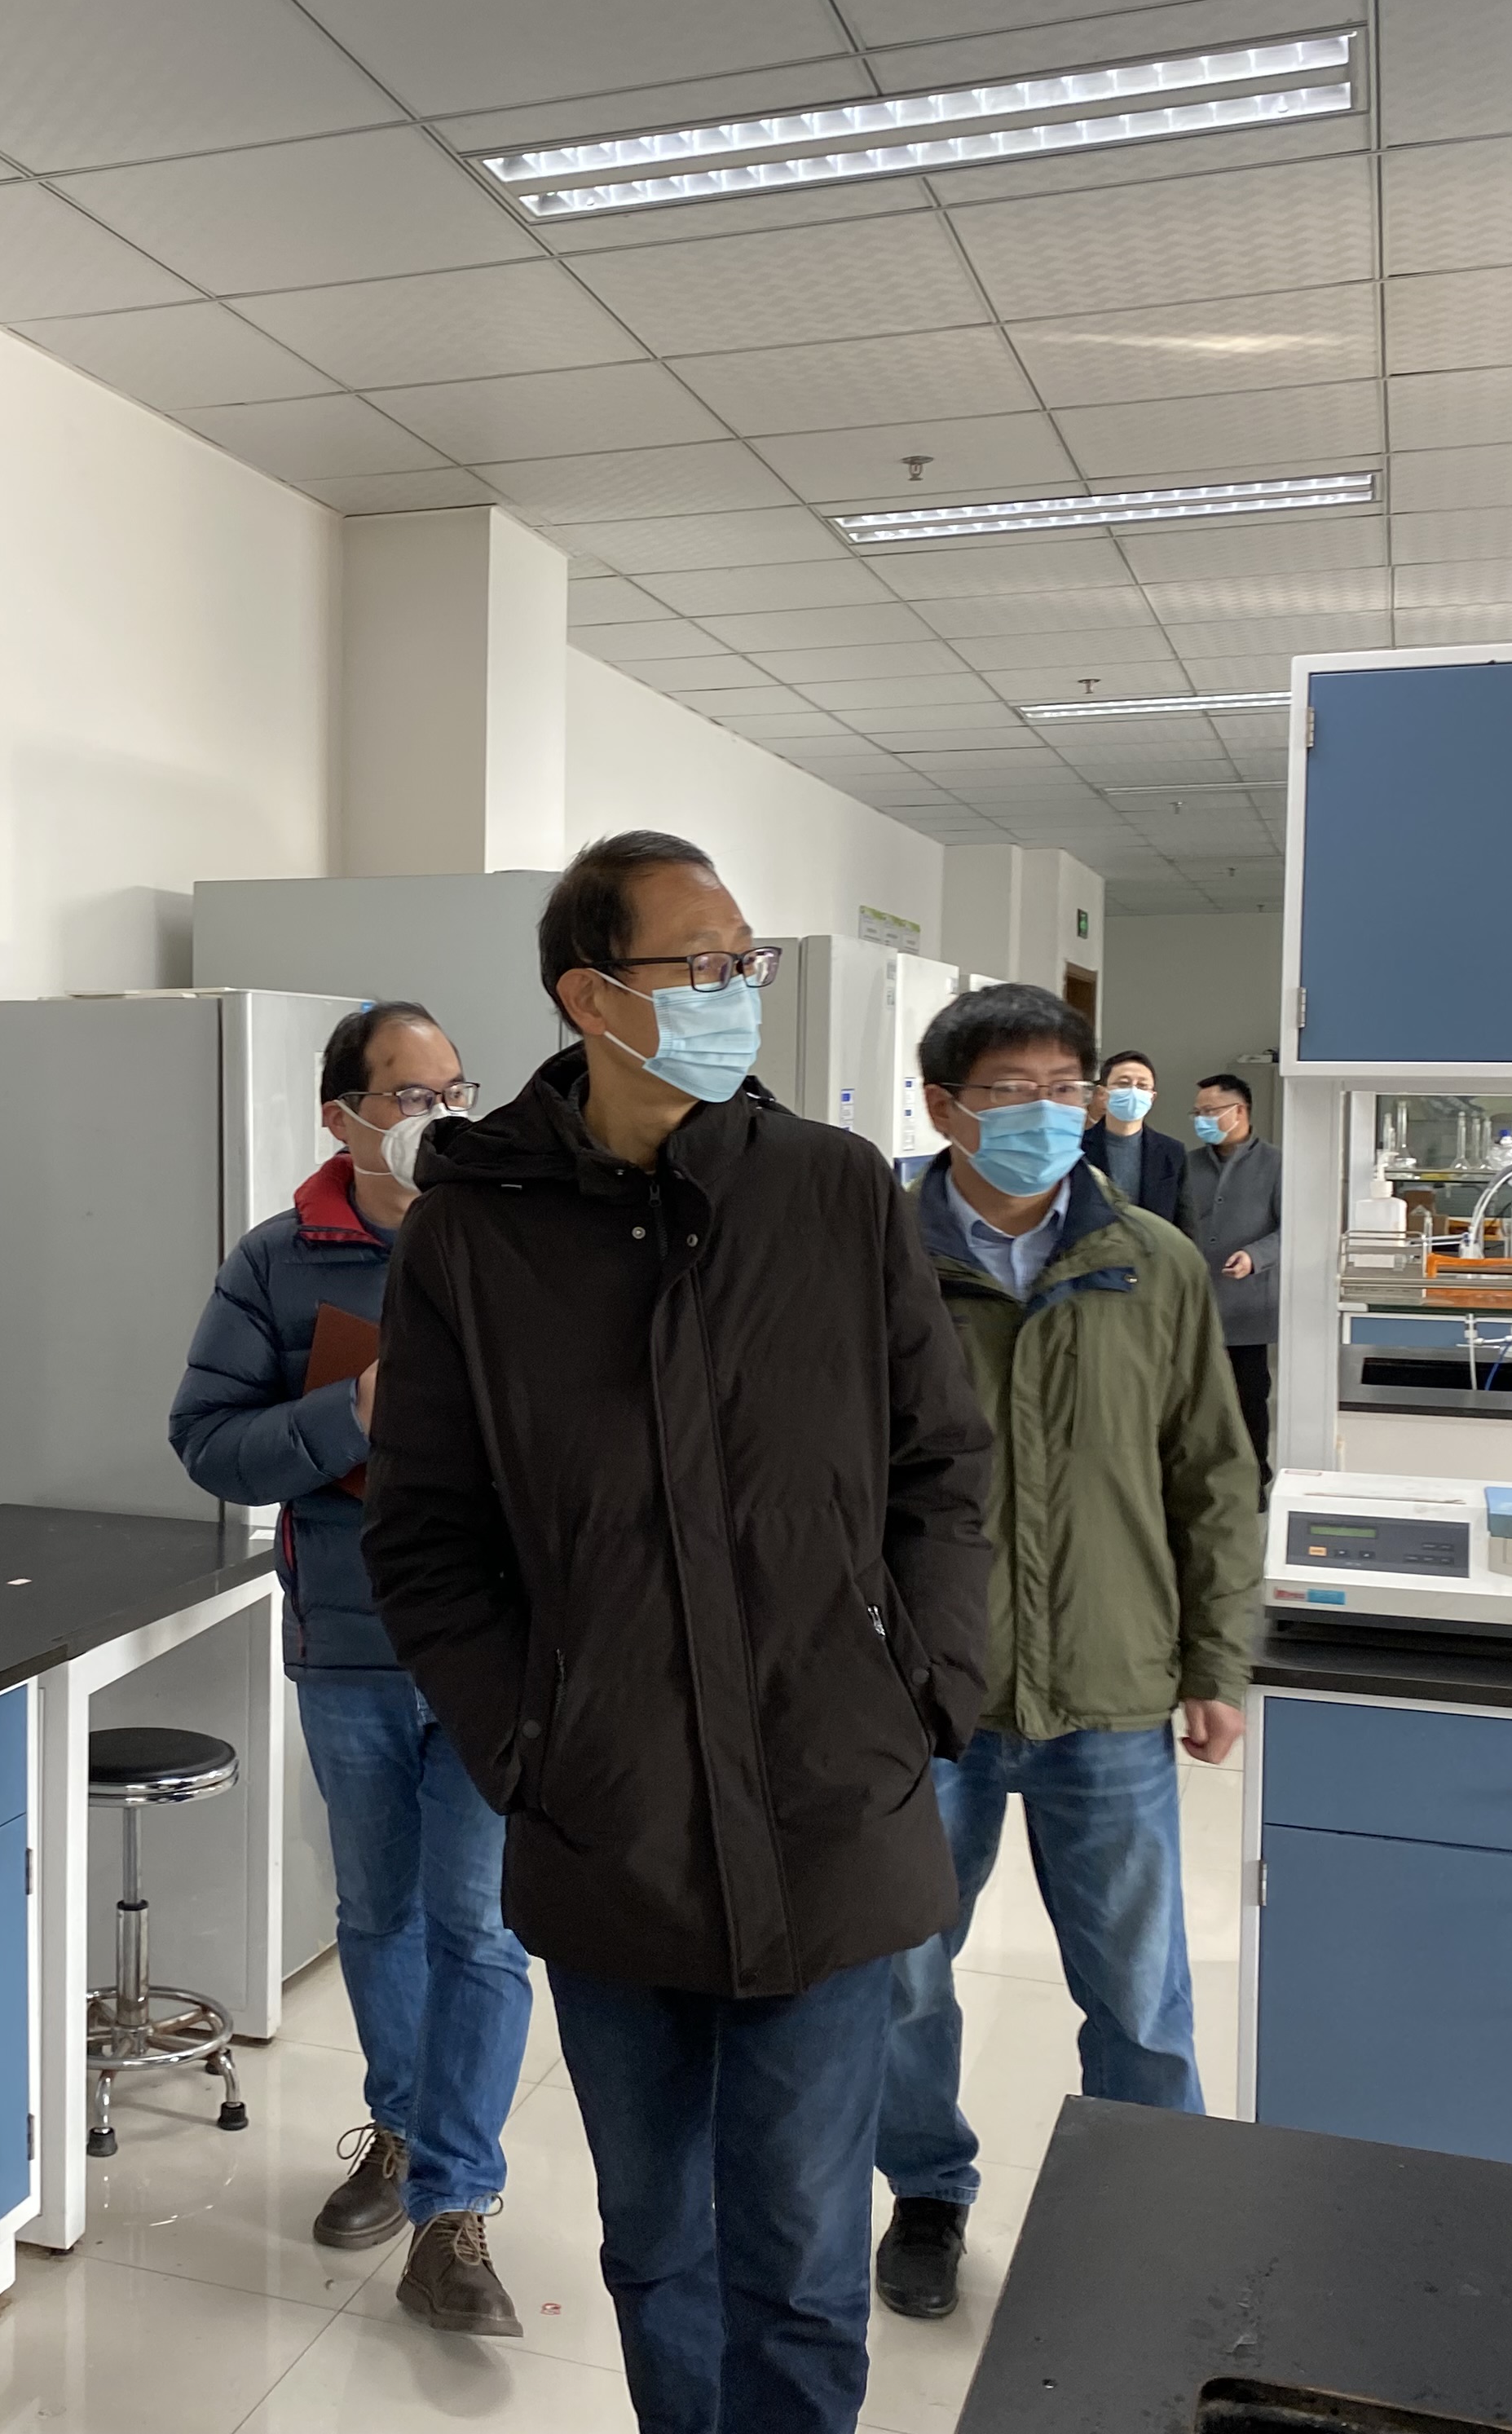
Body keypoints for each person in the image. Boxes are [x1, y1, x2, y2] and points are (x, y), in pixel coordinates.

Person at [363, 830, 996, 2434]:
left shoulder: (831, 1191)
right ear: (592, 996)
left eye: (745, 959)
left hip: (830, 1800)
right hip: (611, 1821)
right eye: (701, 963)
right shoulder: (472, 1237)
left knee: (799, 2254)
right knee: (659, 2246)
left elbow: (943, 1465)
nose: (738, 988)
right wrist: (531, 1740)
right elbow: (425, 1536)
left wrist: (926, 1690)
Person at [870, 984, 1264, 2321]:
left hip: (1109, 1684)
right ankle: (928, 2192)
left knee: (1139, 1993)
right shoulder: (878, 1263)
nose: (1046, 1112)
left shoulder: (1152, 1261)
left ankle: (1149, 2212)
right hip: (928, 1698)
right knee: (901, 1977)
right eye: (1009, 1090)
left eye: (1064, 1087)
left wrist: (1215, 1658)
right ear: (942, 1105)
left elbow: (1213, 1473)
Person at [168, 1001, 532, 2339]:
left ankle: (455, 2205)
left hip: (497, 1645)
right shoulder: (278, 1263)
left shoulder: (512, 1241)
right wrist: (351, 1412)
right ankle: (399, 2126)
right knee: (379, 1914)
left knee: (479, 1924)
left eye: (456, 1090)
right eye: (410, 1095)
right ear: (342, 1116)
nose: (440, 1115)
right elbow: (209, 1442)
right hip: (353, 1641)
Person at [1180, 1071, 1281, 1484]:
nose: (1202, 1120)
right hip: (1194, 1305)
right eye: (1197, 1113)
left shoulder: (1277, 1164)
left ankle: (1254, 1478)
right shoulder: (1188, 1164)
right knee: (1196, 1400)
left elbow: (1294, 1229)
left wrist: (1255, 1257)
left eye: (1210, 1111)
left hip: (1248, 1306)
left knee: (1248, 1398)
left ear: (1239, 1111)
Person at [1081, 1049, 1183, 1220]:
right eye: (1123, 1084)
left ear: (1152, 1097)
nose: (1133, 1091)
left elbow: (1184, 1221)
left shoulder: (1172, 1152)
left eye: (1142, 1086)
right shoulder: (1077, 1147)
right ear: (1103, 1094)